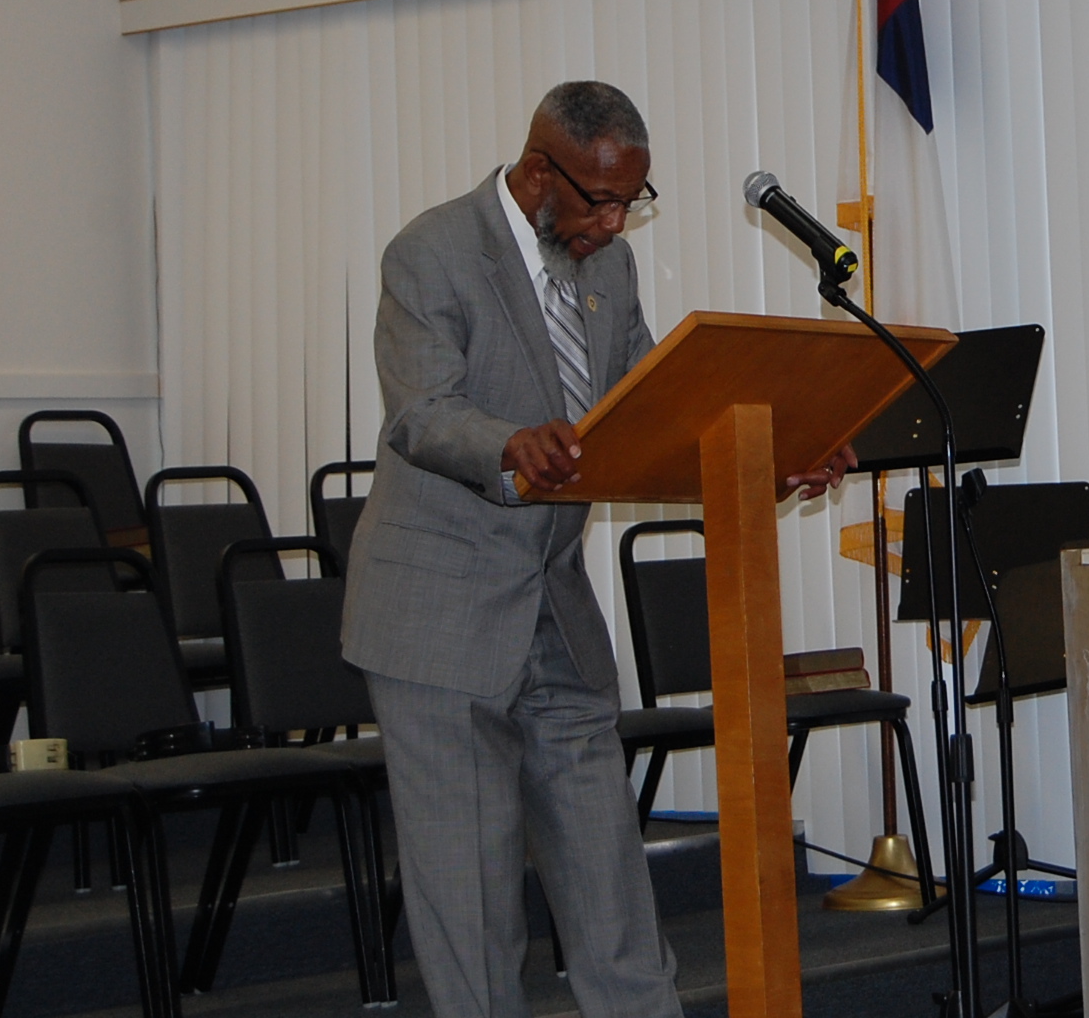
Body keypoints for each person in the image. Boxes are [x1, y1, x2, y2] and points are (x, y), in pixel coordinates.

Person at [341, 81, 848, 1018]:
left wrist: (774, 460)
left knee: (606, 866)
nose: (615, 224)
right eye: (602, 201)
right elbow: (422, 413)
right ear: (540, 172)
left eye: (631, 202)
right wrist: (507, 443)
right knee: (473, 891)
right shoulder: (432, 252)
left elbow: (657, 410)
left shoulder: (607, 267)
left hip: (556, 610)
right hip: (439, 613)